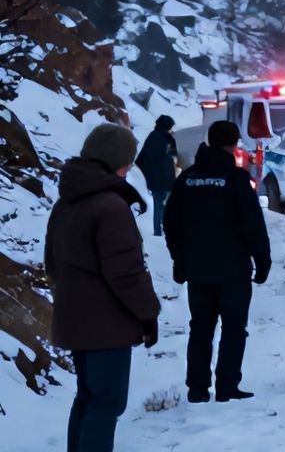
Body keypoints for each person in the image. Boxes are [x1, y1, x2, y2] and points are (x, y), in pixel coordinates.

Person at [45, 123, 161, 452]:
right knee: (106, 402)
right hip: (107, 325)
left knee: (88, 398)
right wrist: (147, 315)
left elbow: (51, 264)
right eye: (127, 160)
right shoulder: (110, 206)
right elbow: (126, 273)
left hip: (75, 318)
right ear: (117, 162)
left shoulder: (66, 203)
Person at [163, 120, 271, 404]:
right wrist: (262, 260)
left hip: (198, 270)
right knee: (233, 329)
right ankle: (227, 386)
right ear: (234, 144)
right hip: (233, 270)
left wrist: (179, 260)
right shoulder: (236, 180)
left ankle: (197, 389)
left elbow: (171, 223)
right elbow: (252, 224)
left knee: (200, 328)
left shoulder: (187, 178)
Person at [135, 115, 178, 237]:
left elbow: (141, 159)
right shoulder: (167, 138)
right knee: (165, 206)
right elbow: (173, 155)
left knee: (159, 206)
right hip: (166, 179)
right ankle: (163, 230)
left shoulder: (153, 137)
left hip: (156, 179)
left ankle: (159, 230)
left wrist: (148, 175)